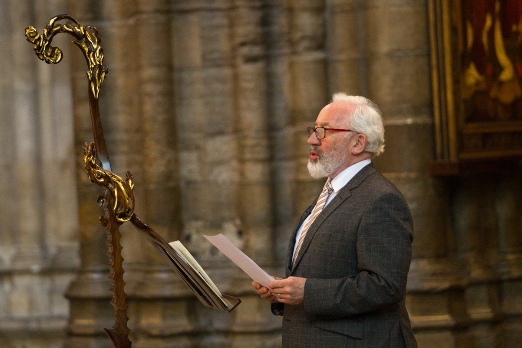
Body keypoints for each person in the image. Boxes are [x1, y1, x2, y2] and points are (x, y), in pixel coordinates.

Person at [252, 93, 417, 347]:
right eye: (313, 130)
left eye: (323, 132)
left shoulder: (381, 199)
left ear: (358, 143)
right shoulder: (330, 193)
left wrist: (307, 292)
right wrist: (282, 291)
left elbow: (385, 286)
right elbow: (321, 269)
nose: (311, 140)